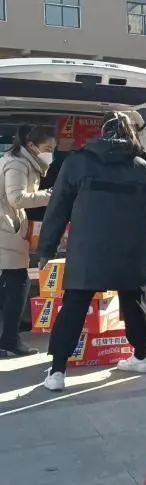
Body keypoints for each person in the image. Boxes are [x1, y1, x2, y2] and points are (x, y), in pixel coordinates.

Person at [38, 113, 146, 391]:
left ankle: (57, 372)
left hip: (88, 249)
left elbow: (57, 209)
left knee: (74, 306)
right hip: (131, 250)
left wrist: (46, 248)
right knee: (133, 301)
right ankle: (141, 357)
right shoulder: (145, 169)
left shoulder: (77, 163)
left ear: (102, 132)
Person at [0, 125, 55, 357]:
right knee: (18, 282)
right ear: (31, 146)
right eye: (47, 149)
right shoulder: (18, 164)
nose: (50, 154)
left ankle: (8, 339)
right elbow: (17, 198)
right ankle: (10, 341)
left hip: (8, 225)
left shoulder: (23, 161)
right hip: (5, 228)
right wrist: (50, 195)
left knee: (11, 283)